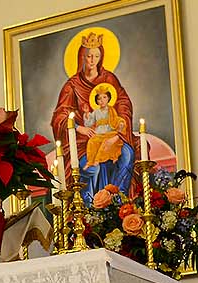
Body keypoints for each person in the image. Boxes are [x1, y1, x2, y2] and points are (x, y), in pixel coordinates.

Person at [51, 31, 135, 203]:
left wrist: (119, 130)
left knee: (127, 154)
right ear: (82, 56)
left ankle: (118, 200)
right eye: (89, 56)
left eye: (96, 56)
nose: (92, 60)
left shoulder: (109, 79)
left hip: (112, 136)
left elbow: (123, 103)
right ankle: (90, 211)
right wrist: (78, 127)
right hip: (84, 141)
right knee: (93, 168)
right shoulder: (72, 86)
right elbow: (60, 115)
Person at [83, 84, 128, 169]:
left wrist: (120, 123)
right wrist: (86, 114)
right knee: (92, 142)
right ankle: (90, 161)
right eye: (99, 99)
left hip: (109, 133)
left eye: (104, 97)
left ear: (108, 98)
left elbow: (116, 119)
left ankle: (98, 160)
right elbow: (89, 123)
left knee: (106, 142)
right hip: (99, 134)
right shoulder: (96, 112)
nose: (102, 100)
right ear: (97, 101)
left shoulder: (111, 110)